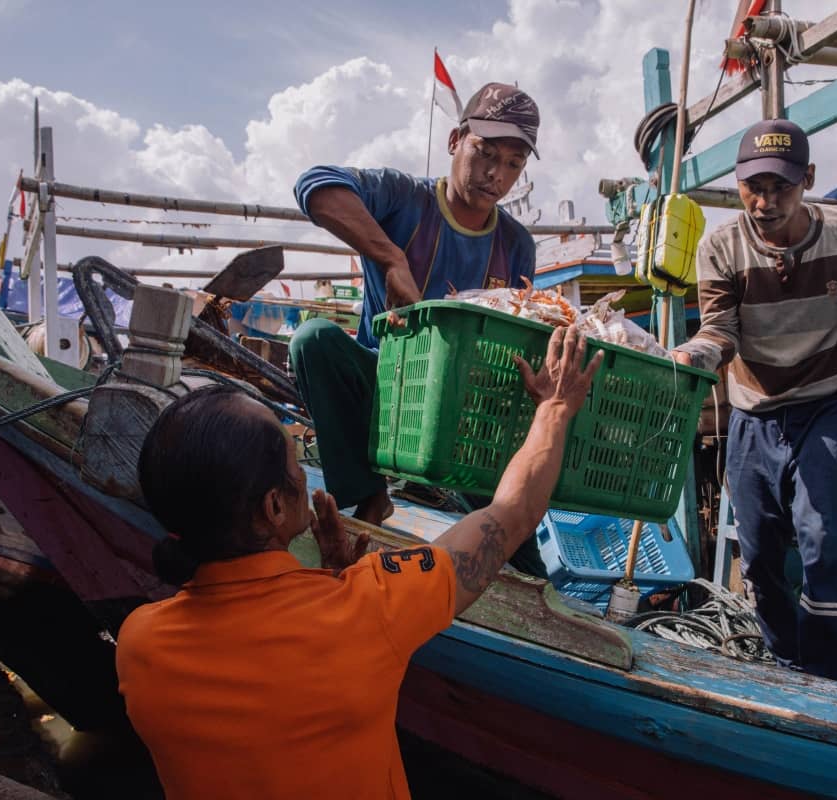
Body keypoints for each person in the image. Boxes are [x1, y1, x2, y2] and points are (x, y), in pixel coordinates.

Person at [116, 326, 602, 800]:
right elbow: (512, 515)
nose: (304, 477)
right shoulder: (367, 609)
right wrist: (556, 407)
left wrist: (330, 576)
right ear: (274, 508)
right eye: (294, 464)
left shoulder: (139, 645)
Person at [672, 119, 837, 681]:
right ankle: (784, 661)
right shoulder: (721, 246)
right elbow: (718, 330)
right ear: (738, 183)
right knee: (758, 552)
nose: (765, 201)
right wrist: (689, 358)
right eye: (754, 186)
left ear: (808, 179)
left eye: (781, 186)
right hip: (753, 410)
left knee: (823, 540)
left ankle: (824, 676)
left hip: (825, 402)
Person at [288, 82, 541, 526]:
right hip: (386, 394)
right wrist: (390, 258)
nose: (495, 174)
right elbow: (316, 185)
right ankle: (369, 494)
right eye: (485, 152)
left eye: (512, 164)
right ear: (454, 141)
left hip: (464, 420)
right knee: (312, 339)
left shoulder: (516, 243)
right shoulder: (404, 197)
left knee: (514, 546)